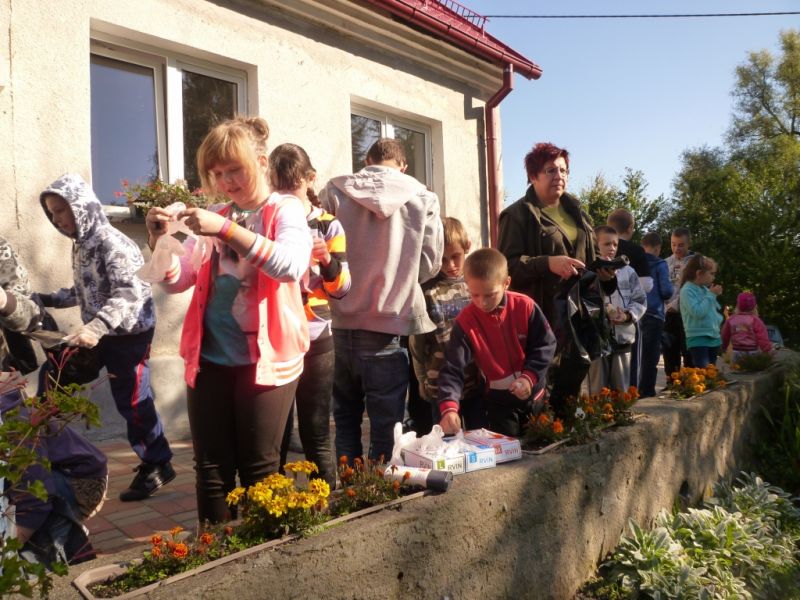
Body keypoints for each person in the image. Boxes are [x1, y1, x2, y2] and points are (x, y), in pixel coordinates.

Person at [146, 117, 311, 523]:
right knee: (211, 471)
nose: (226, 181)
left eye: (234, 170)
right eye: (217, 173)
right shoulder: (217, 213)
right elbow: (176, 281)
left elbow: (290, 265)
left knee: (259, 471)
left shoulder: (284, 209)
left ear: (260, 161)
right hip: (209, 360)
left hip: (265, 365)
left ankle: (258, 565)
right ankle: (213, 561)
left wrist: (226, 230)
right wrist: (160, 240)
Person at [38, 174, 174, 502]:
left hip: (128, 335)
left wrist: (96, 328)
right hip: (99, 333)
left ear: (81, 207)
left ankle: (158, 463)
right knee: (54, 374)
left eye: (61, 211)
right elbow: (86, 289)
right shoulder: (82, 245)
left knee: (132, 401)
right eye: (52, 213)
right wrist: (47, 299)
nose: (56, 219)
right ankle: (44, 452)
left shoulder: (113, 243)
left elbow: (131, 290)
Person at [320, 138, 443, 463]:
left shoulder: (334, 191)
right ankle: (375, 497)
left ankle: (347, 489)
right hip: (388, 326)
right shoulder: (423, 197)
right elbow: (430, 264)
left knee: (344, 419)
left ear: (367, 161)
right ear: (403, 165)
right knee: (387, 428)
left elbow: (317, 249)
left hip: (339, 324)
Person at [498, 142, 615, 416]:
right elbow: (504, 267)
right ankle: (541, 439)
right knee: (541, 387)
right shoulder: (517, 215)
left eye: (563, 170)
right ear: (533, 176)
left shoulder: (578, 212)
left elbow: (590, 258)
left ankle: (565, 433)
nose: (559, 176)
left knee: (572, 379)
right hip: (543, 313)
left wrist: (605, 274)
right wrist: (548, 263)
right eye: (550, 170)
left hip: (579, 314)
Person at [273, 145, 350, 488]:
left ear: (310, 179)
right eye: (279, 184)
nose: (287, 191)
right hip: (275, 339)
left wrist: (327, 263)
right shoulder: (267, 219)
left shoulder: (328, 225)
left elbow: (343, 288)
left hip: (316, 335)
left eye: (294, 183)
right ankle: (270, 515)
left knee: (315, 431)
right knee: (274, 435)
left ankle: (327, 510)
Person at [437, 248, 556, 437]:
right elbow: (452, 368)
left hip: (536, 396)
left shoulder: (525, 306)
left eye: (490, 294)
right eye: (475, 295)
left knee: (543, 445)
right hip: (499, 403)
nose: (482, 302)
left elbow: (546, 345)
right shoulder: (465, 322)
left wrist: (529, 377)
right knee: (509, 458)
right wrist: (450, 408)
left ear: (506, 283)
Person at [409, 217, 483, 433]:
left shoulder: (476, 287)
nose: (450, 265)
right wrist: (422, 379)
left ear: (466, 247)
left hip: (475, 383)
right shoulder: (427, 292)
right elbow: (417, 345)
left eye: (455, 257)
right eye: (442, 259)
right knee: (446, 444)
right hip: (439, 387)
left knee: (479, 438)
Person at [587, 226, 647, 393]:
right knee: (598, 389)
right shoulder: (589, 271)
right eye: (607, 244)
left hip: (622, 336)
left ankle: (620, 416)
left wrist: (628, 315)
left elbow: (640, 299)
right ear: (595, 244)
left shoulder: (628, 272)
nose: (612, 248)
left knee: (621, 387)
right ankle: (598, 417)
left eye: (615, 244)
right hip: (597, 339)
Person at [607, 209, 652, 388]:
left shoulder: (594, 257)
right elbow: (646, 286)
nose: (611, 248)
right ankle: (628, 397)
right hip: (627, 319)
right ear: (630, 227)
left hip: (607, 322)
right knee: (629, 365)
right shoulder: (636, 252)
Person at [639, 232, 674, 397]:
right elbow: (666, 291)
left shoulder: (635, 262)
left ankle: (633, 388)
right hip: (654, 314)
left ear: (642, 245)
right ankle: (647, 391)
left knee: (637, 354)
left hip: (637, 313)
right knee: (651, 356)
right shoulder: (660, 264)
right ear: (658, 248)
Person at [679, 254, 723, 368]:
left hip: (712, 337)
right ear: (699, 273)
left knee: (711, 372)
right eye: (711, 273)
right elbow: (697, 312)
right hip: (698, 338)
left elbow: (712, 311)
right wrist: (711, 295)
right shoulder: (687, 290)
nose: (713, 277)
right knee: (702, 373)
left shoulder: (704, 289)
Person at [662, 227, 694, 377]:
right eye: (673, 244)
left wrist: (676, 304)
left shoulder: (696, 263)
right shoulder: (665, 263)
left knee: (688, 349)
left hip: (688, 313)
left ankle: (691, 381)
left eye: (681, 245)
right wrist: (666, 306)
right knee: (669, 348)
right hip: (669, 313)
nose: (676, 248)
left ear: (689, 244)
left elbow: (692, 288)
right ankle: (672, 380)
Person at [721, 291, 773, 363]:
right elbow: (762, 337)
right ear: (754, 307)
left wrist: (724, 347)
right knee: (751, 372)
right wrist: (767, 350)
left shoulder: (731, 319)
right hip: (752, 353)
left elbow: (725, 335)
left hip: (736, 352)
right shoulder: (755, 320)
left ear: (738, 305)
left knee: (737, 372)